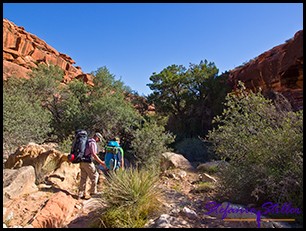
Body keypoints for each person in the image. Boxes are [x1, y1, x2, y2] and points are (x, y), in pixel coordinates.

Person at [78, 132, 108, 199]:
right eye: (99, 139)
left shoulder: (86, 141)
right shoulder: (92, 143)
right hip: (87, 162)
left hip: (81, 161)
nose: (98, 141)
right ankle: (93, 192)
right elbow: (94, 154)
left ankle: (80, 194)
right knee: (95, 176)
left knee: (83, 177)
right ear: (96, 137)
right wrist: (102, 163)